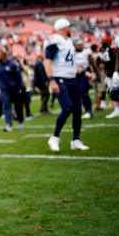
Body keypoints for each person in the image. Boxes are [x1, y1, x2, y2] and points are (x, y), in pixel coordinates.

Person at [44, 19, 90, 151]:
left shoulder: (69, 42)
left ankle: (76, 140)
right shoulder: (54, 41)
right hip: (60, 78)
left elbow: (71, 63)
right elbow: (47, 62)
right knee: (67, 107)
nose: (71, 29)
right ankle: (54, 137)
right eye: (69, 27)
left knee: (77, 109)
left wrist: (85, 73)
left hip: (72, 79)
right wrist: (52, 80)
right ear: (65, 28)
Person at [0, 51, 25, 132]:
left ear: (3, 56)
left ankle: (20, 121)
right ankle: (9, 124)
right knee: (6, 106)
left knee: (17, 106)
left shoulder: (12, 65)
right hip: (4, 90)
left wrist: (19, 87)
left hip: (14, 89)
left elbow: (18, 77)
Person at [74, 39, 95, 120]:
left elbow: (92, 63)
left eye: (81, 44)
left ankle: (88, 111)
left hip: (84, 74)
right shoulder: (72, 52)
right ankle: (80, 111)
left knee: (84, 93)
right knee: (77, 93)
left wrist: (93, 73)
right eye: (78, 45)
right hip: (75, 74)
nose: (80, 46)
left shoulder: (87, 52)